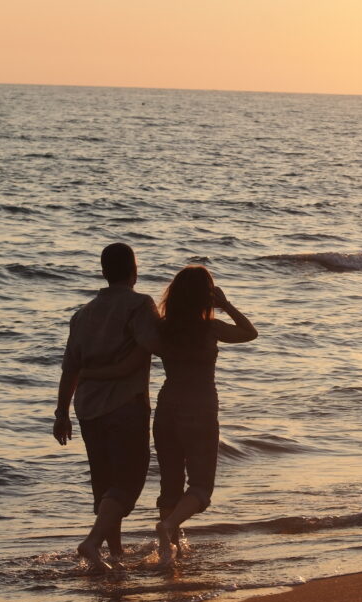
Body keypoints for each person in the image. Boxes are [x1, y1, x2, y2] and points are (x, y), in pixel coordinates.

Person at [83, 265, 256, 568]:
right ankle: (168, 529)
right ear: (206, 296)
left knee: (170, 484)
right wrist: (225, 304)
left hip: (166, 409)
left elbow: (128, 363)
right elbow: (249, 333)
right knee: (201, 487)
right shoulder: (210, 328)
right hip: (200, 408)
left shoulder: (161, 329)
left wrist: (85, 374)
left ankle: (169, 552)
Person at [52, 243, 160, 573]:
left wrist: (61, 414)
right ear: (134, 272)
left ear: (103, 272)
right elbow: (153, 345)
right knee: (128, 482)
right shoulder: (140, 304)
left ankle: (115, 554)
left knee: (105, 484)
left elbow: (69, 368)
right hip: (125, 405)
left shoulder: (82, 314)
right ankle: (93, 543)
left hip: (88, 409)